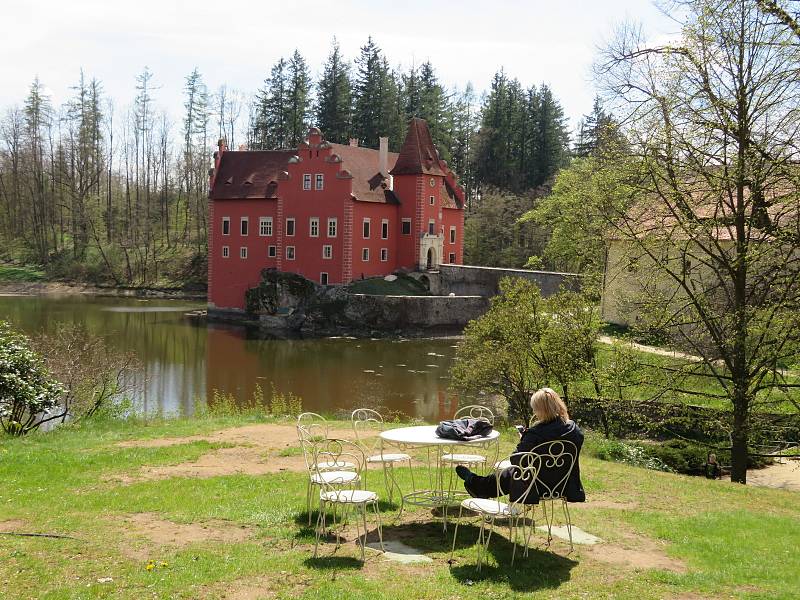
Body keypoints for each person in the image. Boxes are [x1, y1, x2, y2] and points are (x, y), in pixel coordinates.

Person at [455, 388, 586, 503]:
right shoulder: (574, 429)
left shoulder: (535, 433)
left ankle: (477, 484)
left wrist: (523, 440)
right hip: (564, 484)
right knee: (512, 472)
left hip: (535, 486)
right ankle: (478, 484)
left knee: (513, 472)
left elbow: (516, 459)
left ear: (540, 410)